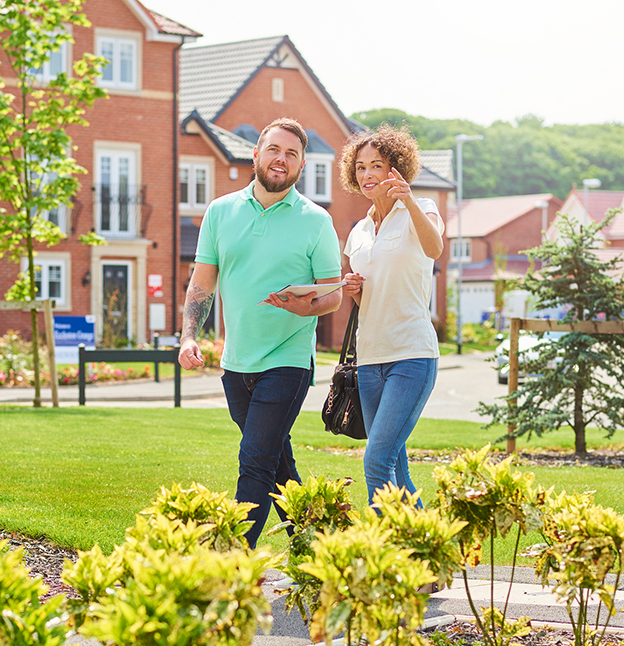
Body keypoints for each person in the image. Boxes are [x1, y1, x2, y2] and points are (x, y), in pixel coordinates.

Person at [178, 118, 342, 548]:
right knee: (276, 463)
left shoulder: (317, 221)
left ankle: (231, 560)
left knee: (253, 461)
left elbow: (333, 297)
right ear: (256, 154)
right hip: (237, 364)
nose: (281, 160)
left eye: (291, 154)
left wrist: (303, 304)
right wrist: (189, 336)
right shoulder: (220, 212)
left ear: (302, 164)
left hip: (288, 361)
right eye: (274, 150)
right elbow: (202, 283)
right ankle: (323, 549)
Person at [339, 124, 445, 508]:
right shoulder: (359, 232)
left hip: (411, 355)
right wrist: (355, 291)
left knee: (376, 459)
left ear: (396, 168)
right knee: (396, 467)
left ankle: (386, 552)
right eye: (362, 167)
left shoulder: (422, 209)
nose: (368, 175)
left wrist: (410, 201)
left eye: (377, 166)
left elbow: (434, 250)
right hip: (369, 360)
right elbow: (372, 301)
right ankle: (424, 550)